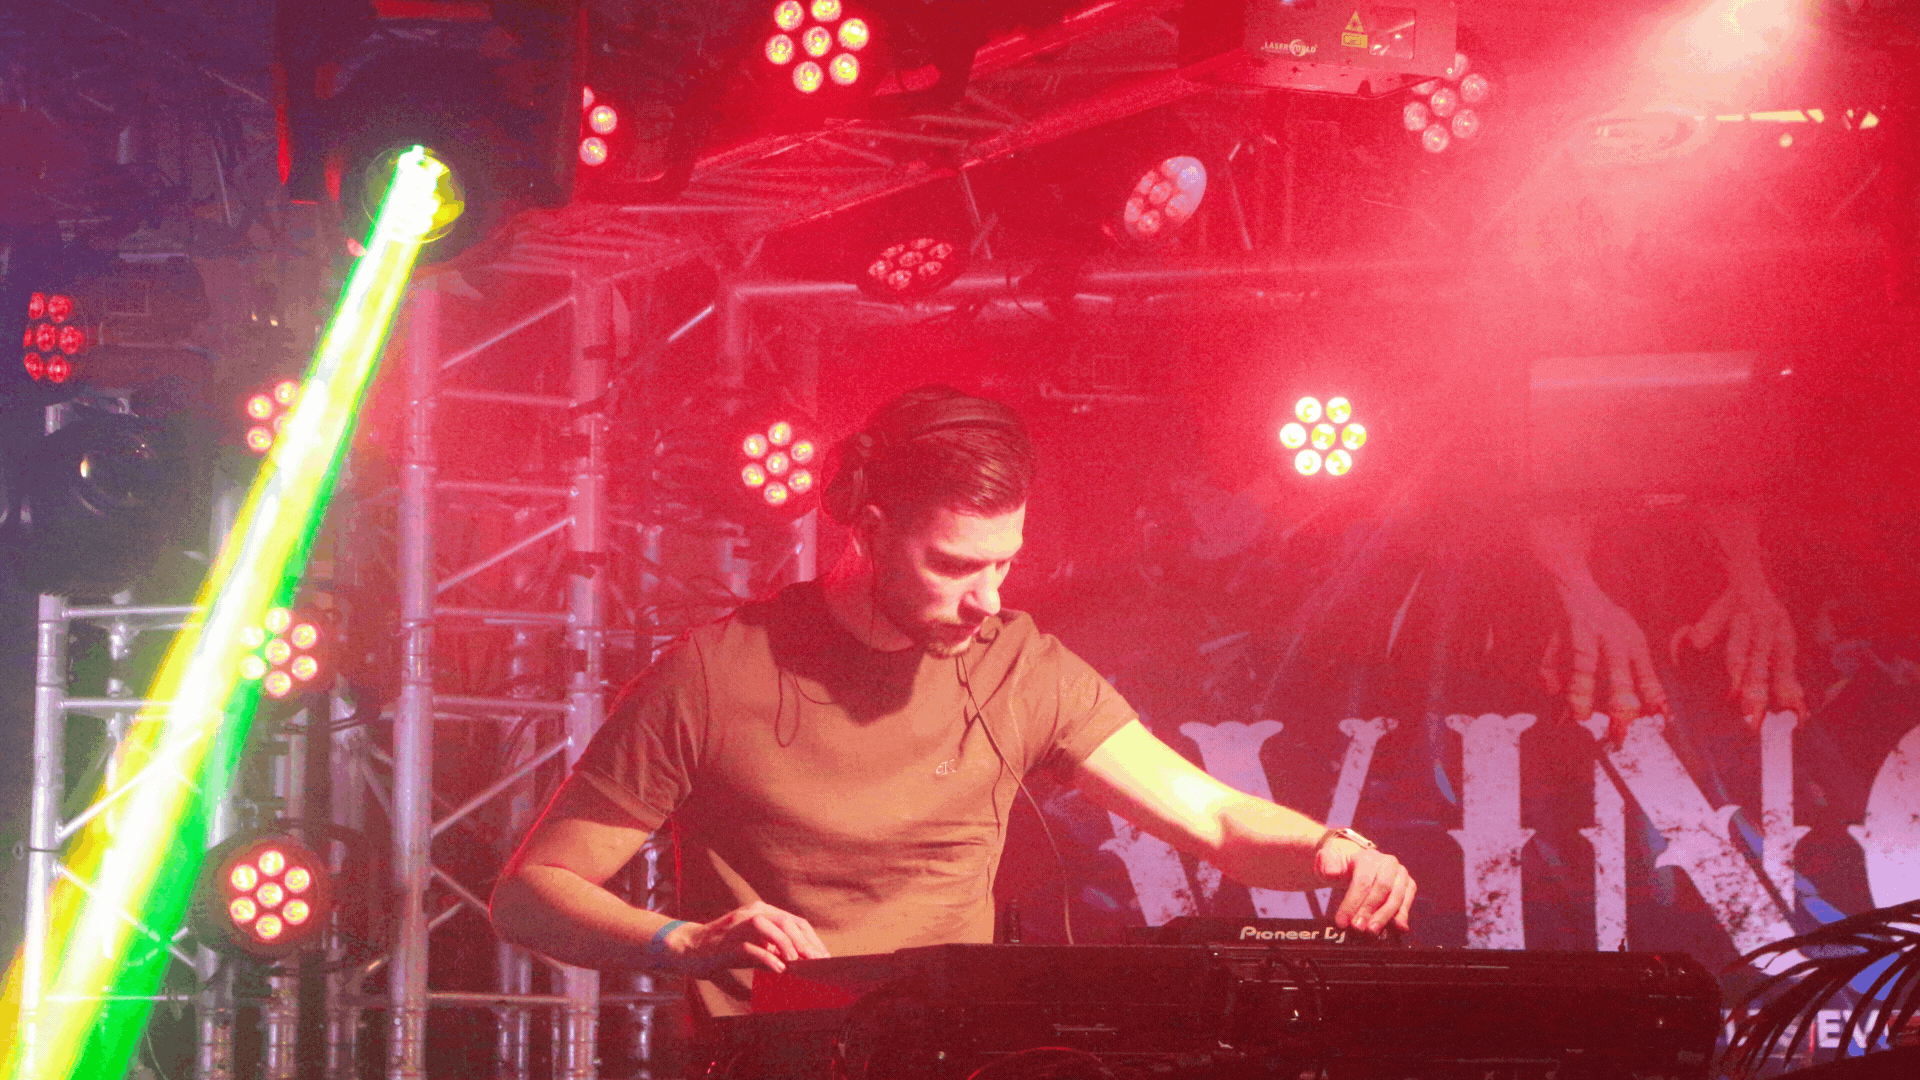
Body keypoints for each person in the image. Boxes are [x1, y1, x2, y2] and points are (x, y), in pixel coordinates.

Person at [490, 386, 1417, 1017]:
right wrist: (684, 941)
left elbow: (1211, 817)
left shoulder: (1022, 666)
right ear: (868, 529)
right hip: (772, 1061)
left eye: (1004, 564)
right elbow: (531, 896)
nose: (987, 599)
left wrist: (1334, 849)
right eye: (953, 565)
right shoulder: (711, 673)